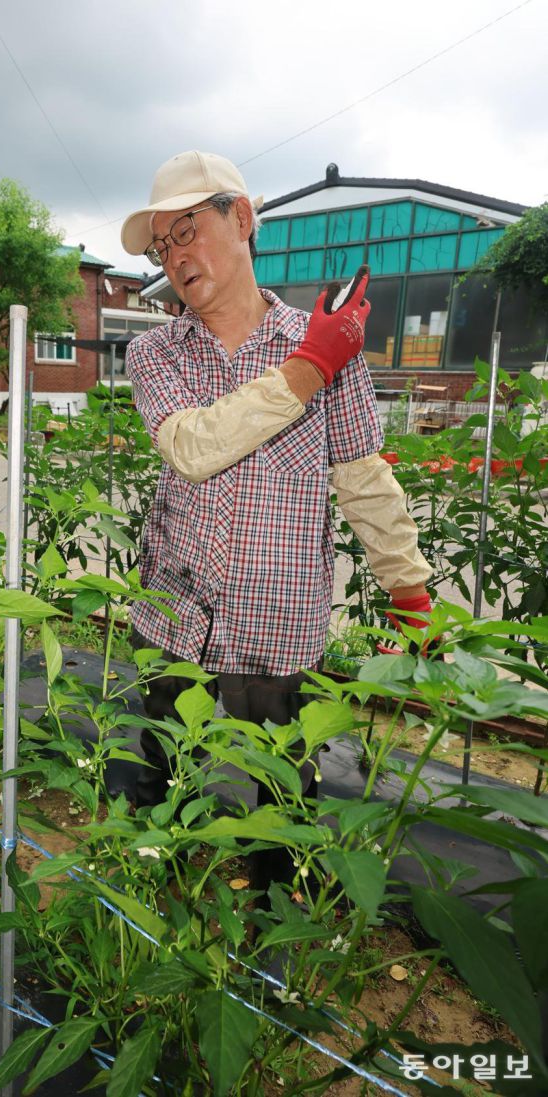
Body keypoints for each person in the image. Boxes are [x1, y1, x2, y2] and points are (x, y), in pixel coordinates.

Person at [121, 150, 432, 890]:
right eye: (163, 245)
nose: (177, 255)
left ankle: (270, 940)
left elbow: (361, 474)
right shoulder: (155, 352)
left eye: (188, 228)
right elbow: (193, 449)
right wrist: (306, 368)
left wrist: (410, 590)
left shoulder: (330, 346)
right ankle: (145, 910)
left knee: (283, 798)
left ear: (244, 219)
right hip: (176, 613)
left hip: (278, 619)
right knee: (161, 774)